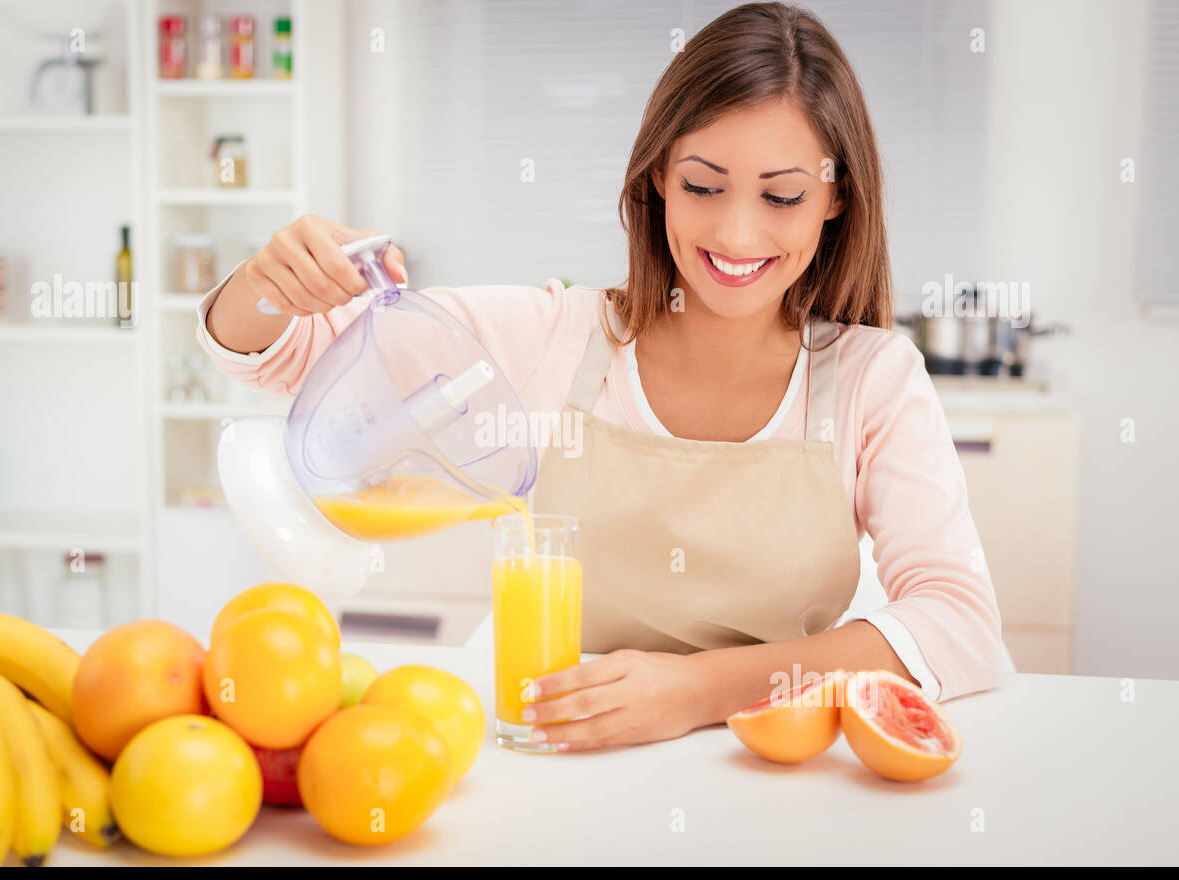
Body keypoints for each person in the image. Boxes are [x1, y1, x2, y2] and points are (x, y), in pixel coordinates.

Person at [198, 2, 1009, 752]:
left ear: (835, 200)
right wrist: (271, 282)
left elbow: (960, 623)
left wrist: (693, 692)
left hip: (768, 766)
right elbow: (283, 353)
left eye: (782, 196)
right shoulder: (559, 335)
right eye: (702, 185)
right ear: (657, 178)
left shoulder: (872, 378)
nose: (736, 231)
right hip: (549, 739)